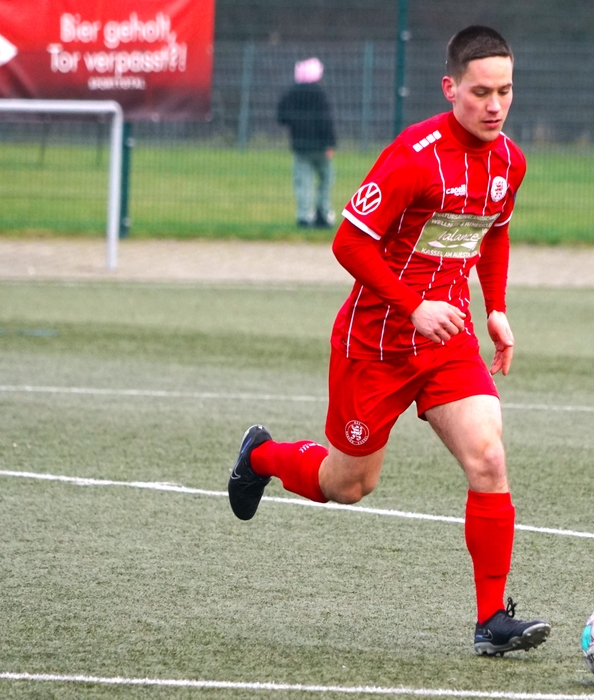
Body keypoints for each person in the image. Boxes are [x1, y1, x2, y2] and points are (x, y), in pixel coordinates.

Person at [230, 25, 550, 657]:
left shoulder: (509, 161)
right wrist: (413, 305)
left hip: (448, 340)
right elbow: (348, 242)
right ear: (450, 88)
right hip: (375, 343)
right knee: (348, 485)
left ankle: (492, 620)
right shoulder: (414, 155)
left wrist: (496, 310)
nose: (495, 106)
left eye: (505, 91)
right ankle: (261, 456)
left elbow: (493, 231)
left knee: (489, 459)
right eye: (481, 92)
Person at [277, 57, 337, 228]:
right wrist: (330, 143)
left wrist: (296, 124)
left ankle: (303, 216)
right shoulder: (320, 93)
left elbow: (281, 116)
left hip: (300, 145)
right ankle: (323, 213)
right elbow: (326, 120)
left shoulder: (291, 93)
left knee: (303, 181)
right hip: (320, 146)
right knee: (326, 179)